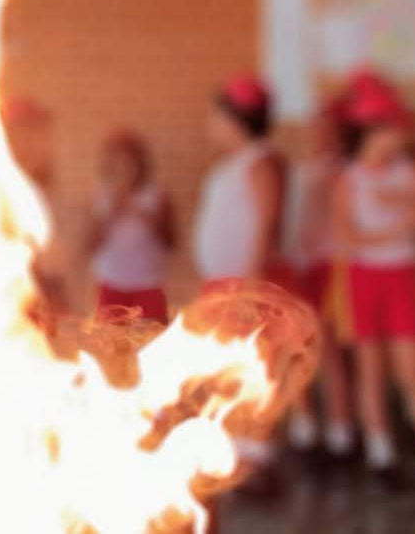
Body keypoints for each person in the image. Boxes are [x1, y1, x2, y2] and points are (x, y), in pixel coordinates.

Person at [335, 76, 415, 481]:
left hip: (402, 274)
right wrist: (397, 227)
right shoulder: (350, 176)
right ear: (374, 132)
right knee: (370, 368)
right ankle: (380, 451)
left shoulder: (409, 172)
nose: (398, 137)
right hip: (365, 276)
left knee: (412, 370)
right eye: (391, 130)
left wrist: (405, 206)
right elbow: (349, 237)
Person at [193, 74, 290, 496]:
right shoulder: (235, 162)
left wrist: (251, 287)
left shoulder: (261, 161)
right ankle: (236, 452)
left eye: (216, 117)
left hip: (243, 284)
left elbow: (267, 224)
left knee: (249, 367)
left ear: (236, 119)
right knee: (226, 368)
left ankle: (255, 458)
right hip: (224, 282)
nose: (210, 125)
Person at [284, 98, 355, 460]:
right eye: (313, 128)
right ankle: (305, 424)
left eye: (325, 128)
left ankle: (340, 430)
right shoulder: (298, 169)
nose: (317, 135)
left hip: (327, 264)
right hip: (299, 264)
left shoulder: (340, 170)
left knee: (328, 349)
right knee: (297, 345)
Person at [85, 129, 175, 324]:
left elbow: (170, 241)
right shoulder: (101, 196)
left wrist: (146, 217)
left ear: (140, 163)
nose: (124, 168)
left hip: (147, 283)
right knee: (111, 345)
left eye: (129, 162)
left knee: (151, 341)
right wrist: (110, 214)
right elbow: (90, 244)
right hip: (111, 283)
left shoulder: (157, 195)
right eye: (118, 162)